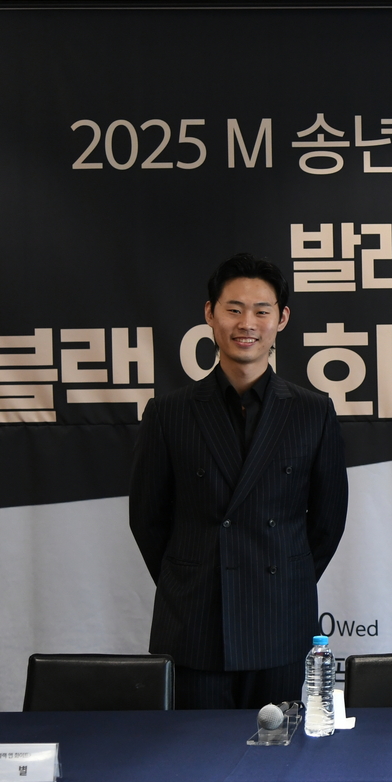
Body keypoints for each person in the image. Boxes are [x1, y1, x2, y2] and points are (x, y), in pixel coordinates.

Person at [130, 253, 348, 710]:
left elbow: (327, 521)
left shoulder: (313, 411)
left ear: (281, 319)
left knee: (283, 766)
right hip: (194, 623)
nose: (246, 323)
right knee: (193, 765)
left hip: (281, 624)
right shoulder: (170, 412)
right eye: (233, 309)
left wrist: (283, 577)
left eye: (261, 310)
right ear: (210, 314)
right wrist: (189, 577)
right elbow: (147, 519)